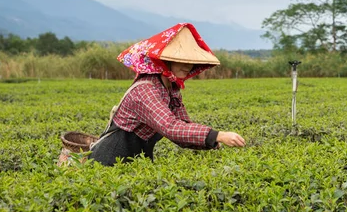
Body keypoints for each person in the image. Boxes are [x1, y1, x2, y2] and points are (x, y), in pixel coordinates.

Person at [89, 23, 245, 166]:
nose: (188, 66)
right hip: (108, 161)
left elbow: (182, 127)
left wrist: (213, 141)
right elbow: (170, 126)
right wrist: (217, 135)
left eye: (190, 61)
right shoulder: (145, 90)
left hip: (137, 161)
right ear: (165, 61)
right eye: (181, 60)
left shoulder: (171, 89)